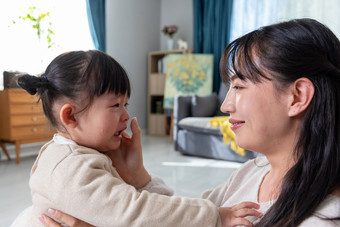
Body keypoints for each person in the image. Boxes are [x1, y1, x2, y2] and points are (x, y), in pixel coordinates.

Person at [40, 18, 340, 227]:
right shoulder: (252, 173)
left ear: (297, 96)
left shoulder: (323, 216)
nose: (225, 104)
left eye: (239, 86)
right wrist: (139, 178)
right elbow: (186, 218)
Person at [12, 50, 261, 227]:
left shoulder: (76, 153)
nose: (126, 115)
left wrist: (138, 177)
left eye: (126, 103)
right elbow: (135, 213)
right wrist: (214, 217)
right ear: (71, 116)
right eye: (115, 105)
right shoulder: (72, 167)